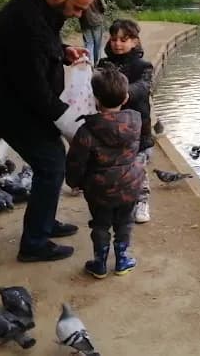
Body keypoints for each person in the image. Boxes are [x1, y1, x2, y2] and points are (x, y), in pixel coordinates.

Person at [0, 0, 95, 262]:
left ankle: (44, 224)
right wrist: (75, 124)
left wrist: (63, 51)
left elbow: (40, 50)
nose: (78, 14)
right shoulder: (26, 24)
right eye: (77, 8)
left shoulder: (38, 4)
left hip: (21, 101)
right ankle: (34, 244)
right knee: (51, 165)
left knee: (52, 163)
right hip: (8, 106)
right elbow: (36, 91)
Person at [65, 64, 144, 278]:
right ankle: (122, 260)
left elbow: (76, 162)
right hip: (130, 185)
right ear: (125, 98)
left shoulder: (86, 130)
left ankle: (100, 263)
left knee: (100, 225)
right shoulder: (135, 121)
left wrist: (74, 182)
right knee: (125, 223)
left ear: (95, 99)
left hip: (99, 190)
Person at [97, 19, 154, 223]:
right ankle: (119, 201)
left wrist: (124, 93)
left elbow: (144, 86)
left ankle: (142, 201)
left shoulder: (143, 66)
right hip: (111, 127)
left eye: (124, 39)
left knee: (138, 167)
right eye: (114, 39)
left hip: (137, 129)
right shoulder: (104, 65)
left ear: (135, 41)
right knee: (114, 166)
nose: (118, 44)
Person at [80, 0, 107, 65]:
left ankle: (89, 63)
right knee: (97, 44)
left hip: (84, 21)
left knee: (89, 43)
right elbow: (103, 6)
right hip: (97, 21)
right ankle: (96, 63)